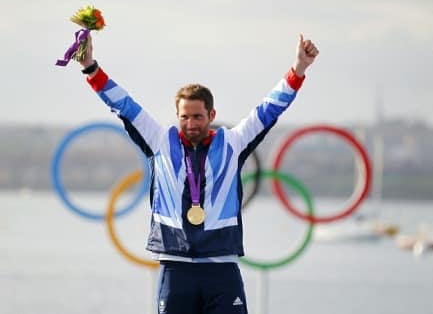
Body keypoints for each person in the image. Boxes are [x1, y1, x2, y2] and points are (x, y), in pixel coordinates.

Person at [78, 34, 318, 314]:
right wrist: (90, 67)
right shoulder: (159, 141)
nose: (190, 123)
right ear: (177, 115)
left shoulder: (233, 142)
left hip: (222, 269)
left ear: (211, 114)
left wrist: (298, 69)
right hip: (175, 267)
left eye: (198, 116)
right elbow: (124, 106)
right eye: (184, 117)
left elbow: (269, 110)